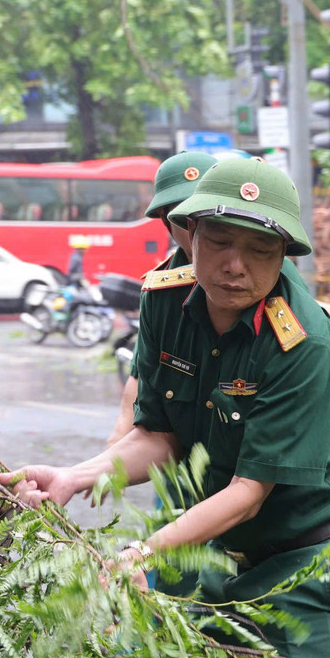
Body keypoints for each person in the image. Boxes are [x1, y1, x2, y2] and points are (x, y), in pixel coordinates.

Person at [0, 158, 330, 658]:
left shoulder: (302, 341)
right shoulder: (163, 299)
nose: (235, 266)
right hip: (224, 548)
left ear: (283, 259)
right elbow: (160, 435)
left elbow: (249, 494)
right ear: (189, 234)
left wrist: (142, 554)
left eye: (260, 252)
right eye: (220, 242)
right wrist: (75, 476)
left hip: (311, 554)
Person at [104, 150, 218, 449]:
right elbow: (142, 376)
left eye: (206, 214)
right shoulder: (161, 294)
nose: (197, 229)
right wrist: (113, 451)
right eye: (183, 218)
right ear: (167, 223)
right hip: (177, 459)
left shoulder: (262, 278)